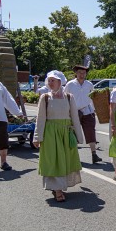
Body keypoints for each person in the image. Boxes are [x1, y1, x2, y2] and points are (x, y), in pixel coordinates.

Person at [32, 70, 84, 202]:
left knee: (64, 160)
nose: (50, 83)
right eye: (49, 80)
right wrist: (37, 137)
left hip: (65, 133)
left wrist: (79, 135)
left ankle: (59, 186)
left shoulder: (69, 97)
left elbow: (74, 118)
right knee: (53, 160)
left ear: (60, 82)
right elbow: (40, 119)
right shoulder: (45, 98)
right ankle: (57, 190)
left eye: (53, 80)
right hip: (50, 134)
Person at [64, 65, 103, 164]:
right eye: (80, 73)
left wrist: (94, 110)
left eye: (84, 73)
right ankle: (73, 155)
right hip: (74, 112)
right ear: (76, 73)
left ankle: (94, 154)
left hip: (87, 111)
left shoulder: (89, 84)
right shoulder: (70, 84)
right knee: (73, 133)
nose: (82, 75)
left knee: (90, 132)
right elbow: (65, 98)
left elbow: (93, 97)